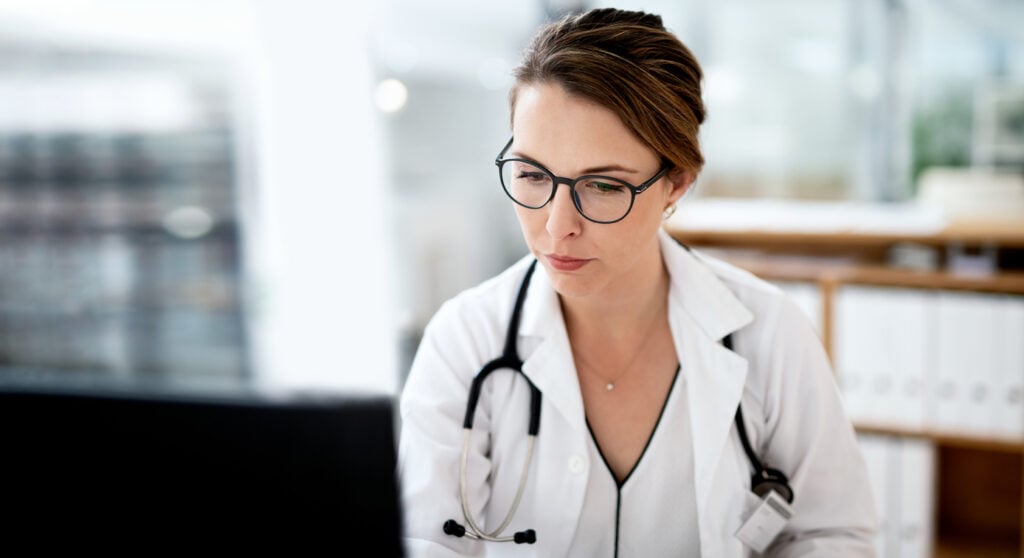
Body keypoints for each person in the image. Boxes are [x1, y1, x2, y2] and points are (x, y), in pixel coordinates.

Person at [397, 7, 877, 557]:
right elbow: (427, 542)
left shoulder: (769, 334)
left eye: (602, 185)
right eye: (531, 175)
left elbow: (832, 535)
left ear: (676, 184)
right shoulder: (466, 340)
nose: (557, 226)